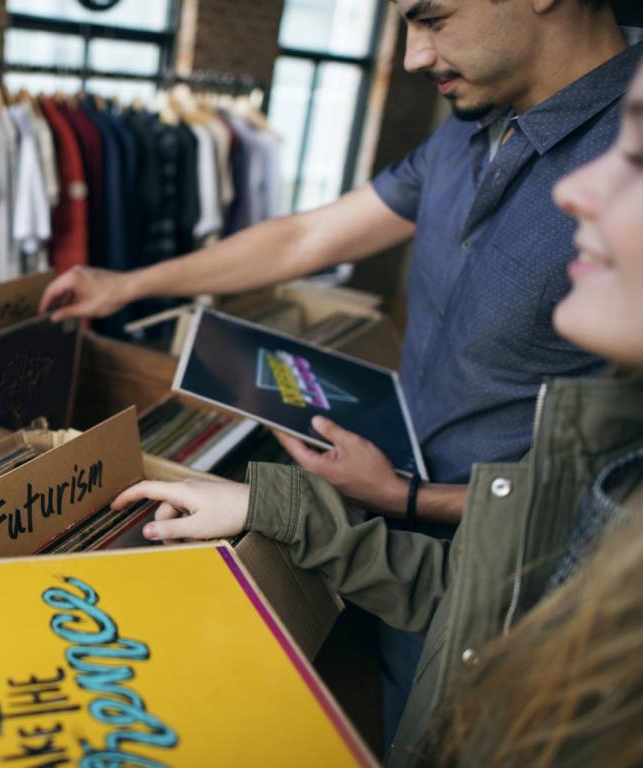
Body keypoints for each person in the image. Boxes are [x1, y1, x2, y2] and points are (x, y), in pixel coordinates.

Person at [110, 56, 643, 766]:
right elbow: (469, 602)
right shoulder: (464, 129)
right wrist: (131, 284)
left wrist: (405, 497)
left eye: (635, 159)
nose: (575, 190)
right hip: (419, 553)